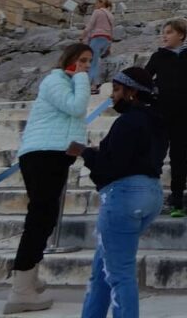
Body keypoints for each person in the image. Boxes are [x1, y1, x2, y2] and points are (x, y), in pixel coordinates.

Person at [67, 67, 167, 318]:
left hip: (124, 194)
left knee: (120, 273)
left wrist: (85, 153)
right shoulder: (156, 120)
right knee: (102, 269)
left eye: (117, 89)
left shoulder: (127, 122)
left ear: (132, 92)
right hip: (151, 193)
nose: (112, 95)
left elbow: (112, 166)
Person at [3, 44, 92, 315]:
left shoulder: (64, 81)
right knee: (40, 218)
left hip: (53, 153)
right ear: (70, 60)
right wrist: (81, 77)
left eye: (89, 62)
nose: (87, 65)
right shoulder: (55, 80)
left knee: (45, 217)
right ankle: (21, 290)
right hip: (43, 153)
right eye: (83, 60)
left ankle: (29, 276)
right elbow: (76, 108)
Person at [144, 18, 187, 218]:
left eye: (169, 32)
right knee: (155, 158)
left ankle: (177, 201)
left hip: (184, 115)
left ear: (180, 34)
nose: (164, 36)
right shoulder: (157, 57)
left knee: (180, 159)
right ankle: (150, 200)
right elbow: (144, 80)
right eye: (164, 32)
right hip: (160, 115)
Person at [81, 0, 114, 95]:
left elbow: (90, 25)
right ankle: (95, 83)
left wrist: (82, 36)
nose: (95, 4)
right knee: (97, 61)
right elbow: (112, 30)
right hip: (106, 40)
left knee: (92, 62)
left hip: (97, 38)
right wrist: (109, 45)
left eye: (96, 2)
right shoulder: (110, 15)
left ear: (101, 3)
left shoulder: (97, 12)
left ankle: (92, 86)